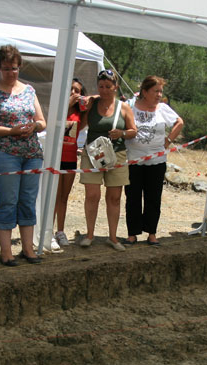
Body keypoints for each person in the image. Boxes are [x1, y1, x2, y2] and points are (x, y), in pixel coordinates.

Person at [0, 44, 46, 266]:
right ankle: (6, 252)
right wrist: (11, 131)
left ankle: (28, 249)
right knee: (8, 201)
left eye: (14, 68)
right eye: (7, 68)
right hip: (4, 153)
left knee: (27, 200)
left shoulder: (29, 90)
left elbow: (42, 122)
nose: (11, 73)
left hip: (32, 153)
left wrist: (33, 126)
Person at [78, 68, 137, 251]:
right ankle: (89, 235)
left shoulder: (123, 107)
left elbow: (134, 131)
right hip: (93, 153)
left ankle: (112, 237)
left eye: (108, 86)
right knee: (92, 195)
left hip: (116, 154)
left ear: (115, 87)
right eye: (101, 86)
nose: (104, 90)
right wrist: (80, 107)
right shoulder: (92, 104)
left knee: (114, 197)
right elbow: (81, 125)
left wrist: (122, 133)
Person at [124, 75, 183, 246]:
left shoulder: (163, 108)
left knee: (153, 197)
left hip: (156, 161)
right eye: (155, 91)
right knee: (133, 196)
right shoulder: (130, 107)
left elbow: (179, 122)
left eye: (160, 92)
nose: (159, 95)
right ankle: (132, 233)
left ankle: (151, 233)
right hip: (133, 160)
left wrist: (168, 141)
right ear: (144, 91)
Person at [53, 77, 85, 248]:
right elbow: (53, 123)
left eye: (77, 90)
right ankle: (48, 232)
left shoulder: (80, 114)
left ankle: (60, 231)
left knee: (64, 198)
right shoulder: (58, 108)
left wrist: (85, 101)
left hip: (70, 159)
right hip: (56, 159)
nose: (73, 93)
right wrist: (67, 103)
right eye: (71, 89)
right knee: (54, 197)